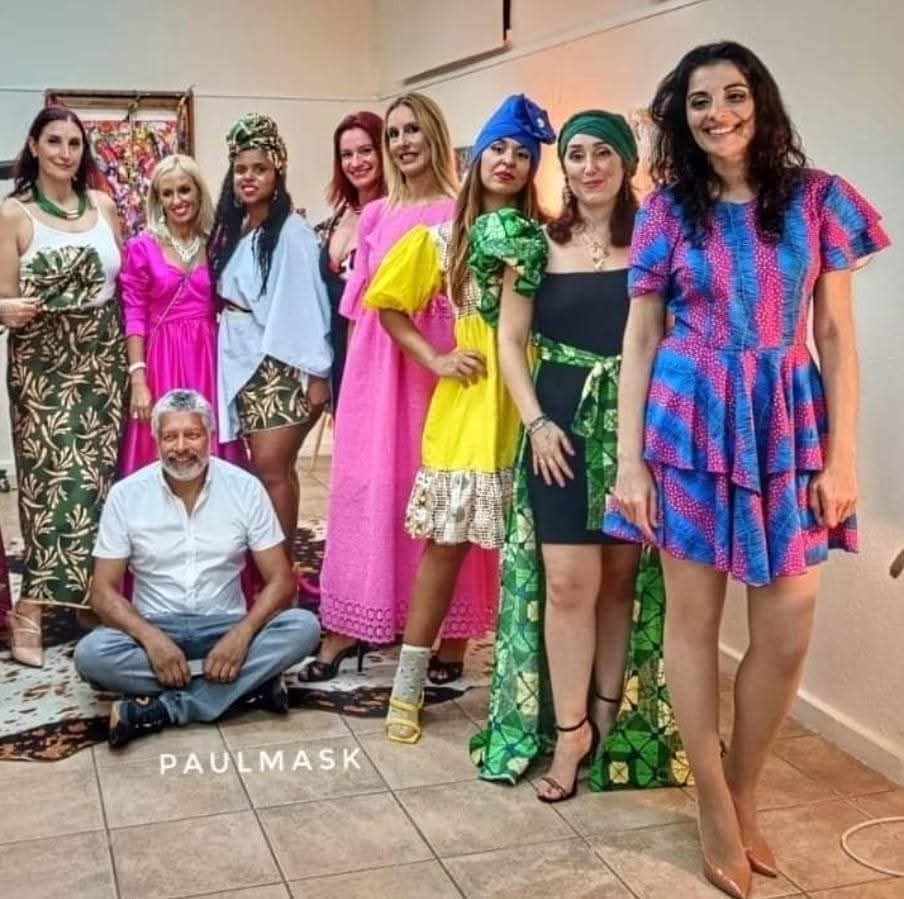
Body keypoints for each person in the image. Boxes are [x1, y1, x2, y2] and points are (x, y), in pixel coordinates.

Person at [603, 42, 889, 898]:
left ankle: (743, 782)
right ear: (682, 116)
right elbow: (641, 338)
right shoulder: (665, 211)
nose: (717, 113)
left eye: (732, 94)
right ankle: (715, 808)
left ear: (760, 101)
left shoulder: (819, 200)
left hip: (786, 422)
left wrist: (842, 456)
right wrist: (630, 463)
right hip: (688, 421)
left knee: (788, 626)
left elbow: (834, 334)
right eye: (699, 101)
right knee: (692, 623)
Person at [471, 111, 685, 802]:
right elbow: (509, 341)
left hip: (636, 433)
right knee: (567, 585)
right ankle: (569, 734)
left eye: (602, 154)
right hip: (558, 431)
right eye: (576, 155)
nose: (589, 167)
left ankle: (609, 717)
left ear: (626, 163)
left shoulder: (656, 241)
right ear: (562, 166)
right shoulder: (535, 245)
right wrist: (535, 422)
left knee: (621, 583)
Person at [364, 94, 554, 742]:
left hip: (536, 406)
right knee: (443, 549)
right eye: (498, 147)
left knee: (542, 557)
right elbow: (388, 304)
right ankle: (406, 690)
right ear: (477, 157)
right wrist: (435, 357)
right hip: (469, 410)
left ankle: (538, 692)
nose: (508, 160)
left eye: (523, 153)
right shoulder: (442, 240)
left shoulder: (547, 238)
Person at [306, 93, 496, 681]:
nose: (402, 143)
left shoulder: (463, 211)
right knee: (366, 493)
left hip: (442, 370)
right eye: (393, 134)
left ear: (433, 135)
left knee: (443, 497)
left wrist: (451, 361)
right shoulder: (374, 215)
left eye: (412, 130)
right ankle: (349, 625)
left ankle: (453, 635)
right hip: (375, 367)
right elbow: (360, 307)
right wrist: (343, 385)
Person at [73, 390, 320, 748]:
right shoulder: (127, 495)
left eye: (192, 434)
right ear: (156, 440)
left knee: (303, 628)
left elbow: (281, 580)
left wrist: (241, 635)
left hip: (226, 627)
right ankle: (246, 687)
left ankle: (164, 708)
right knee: (92, 655)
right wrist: (152, 640)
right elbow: (102, 591)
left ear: (210, 436)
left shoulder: (245, 489)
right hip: (154, 629)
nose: (181, 447)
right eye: (170, 436)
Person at [0, 106, 127, 667]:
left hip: (103, 355)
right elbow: (2, 298)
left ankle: (88, 598)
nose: (65, 152)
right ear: (34, 145)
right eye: (54, 141)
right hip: (43, 362)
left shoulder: (102, 205)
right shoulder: (13, 214)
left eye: (74, 143)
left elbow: (124, 282)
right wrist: (7, 308)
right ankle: (29, 608)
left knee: (97, 485)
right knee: (53, 484)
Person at [209, 114, 332, 554]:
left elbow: (307, 307)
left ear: (277, 170)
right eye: (241, 169)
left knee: (272, 469)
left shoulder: (291, 233)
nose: (248, 177)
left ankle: (279, 571)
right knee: (270, 470)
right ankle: (280, 565)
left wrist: (316, 375)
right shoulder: (238, 227)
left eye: (259, 168)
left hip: (279, 364)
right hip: (245, 358)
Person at [120, 154, 245, 473]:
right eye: (168, 193)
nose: (177, 200)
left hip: (208, 356)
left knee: (207, 437)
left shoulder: (217, 243)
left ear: (198, 192)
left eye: (184, 190)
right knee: (165, 439)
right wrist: (138, 379)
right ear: (158, 200)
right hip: (161, 357)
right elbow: (134, 314)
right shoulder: (142, 247)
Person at [315, 111, 385, 406]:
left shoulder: (395, 214)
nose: (355, 162)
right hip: (338, 351)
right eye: (346, 154)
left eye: (366, 151)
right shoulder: (339, 216)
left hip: (378, 351)